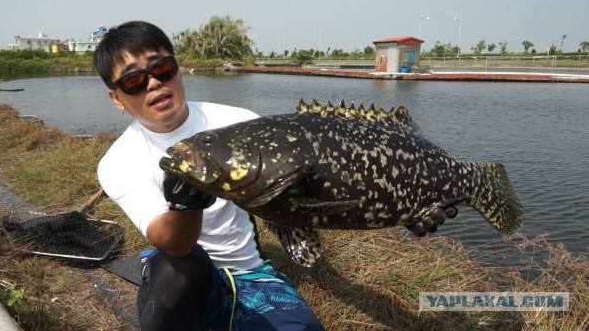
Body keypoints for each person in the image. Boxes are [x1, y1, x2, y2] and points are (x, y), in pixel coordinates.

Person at [93, 20, 452, 330]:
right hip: (183, 277)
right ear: (116, 98)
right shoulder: (117, 162)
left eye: (162, 69)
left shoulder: (239, 122)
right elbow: (172, 242)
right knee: (178, 269)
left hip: (250, 274)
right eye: (135, 81)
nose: (153, 83)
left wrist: (408, 208)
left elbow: (312, 195)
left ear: (177, 69)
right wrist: (186, 204)